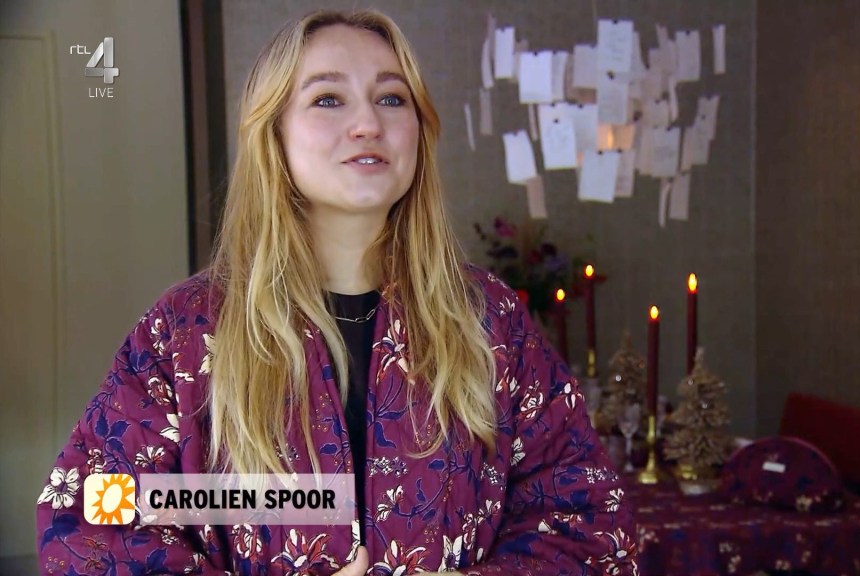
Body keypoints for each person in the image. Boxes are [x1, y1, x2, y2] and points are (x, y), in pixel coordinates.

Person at [36, 8, 637, 575]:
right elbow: (90, 515)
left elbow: (590, 516)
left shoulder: (489, 321)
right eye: (328, 98)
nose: (368, 123)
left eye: (391, 98)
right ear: (273, 133)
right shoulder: (189, 331)